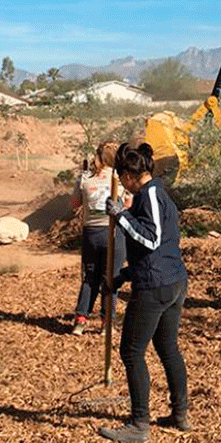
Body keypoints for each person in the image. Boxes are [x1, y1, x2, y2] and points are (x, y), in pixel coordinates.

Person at [98, 142, 189, 443]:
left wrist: (121, 216)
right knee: (167, 348)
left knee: (132, 352)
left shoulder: (150, 196)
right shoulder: (156, 192)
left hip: (156, 286)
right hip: (170, 279)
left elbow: (150, 240)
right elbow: (153, 250)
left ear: (127, 175)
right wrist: (121, 277)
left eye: (120, 177)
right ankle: (179, 414)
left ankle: (139, 424)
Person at [70, 141, 128, 336]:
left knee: (89, 278)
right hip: (113, 233)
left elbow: (74, 204)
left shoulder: (84, 177)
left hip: (91, 233)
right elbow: (128, 204)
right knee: (110, 279)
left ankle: (80, 320)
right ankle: (107, 322)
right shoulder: (120, 177)